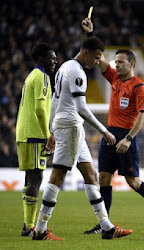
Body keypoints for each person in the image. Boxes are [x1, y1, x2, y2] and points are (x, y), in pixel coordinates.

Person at [32, 37, 132, 240]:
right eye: (96, 58)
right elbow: (80, 108)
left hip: (68, 125)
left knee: (91, 175)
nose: (97, 62)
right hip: (70, 127)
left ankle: (107, 227)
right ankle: (40, 229)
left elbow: (55, 101)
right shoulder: (77, 71)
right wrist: (104, 130)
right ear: (86, 53)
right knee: (58, 176)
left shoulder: (64, 67)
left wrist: (52, 130)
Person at [81, 18, 144, 234]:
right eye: (116, 61)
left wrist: (129, 138)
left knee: (133, 181)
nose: (116, 64)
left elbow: (143, 115)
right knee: (103, 177)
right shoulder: (114, 79)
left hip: (126, 136)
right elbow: (99, 57)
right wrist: (89, 34)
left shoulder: (140, 87)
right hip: (109, 133)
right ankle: (105, 224)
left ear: (132, 64)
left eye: (120, 62)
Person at [16, 43, 57, 237]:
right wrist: (47, 134)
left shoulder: (31, 76)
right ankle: (31, 226)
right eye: (52, 58)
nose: (55, 61)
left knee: (30, 178)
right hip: (34, 134)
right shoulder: (42, 77)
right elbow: (40, 110)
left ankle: (27, 224)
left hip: (24, 133)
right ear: (41, 59)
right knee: (35, 177)